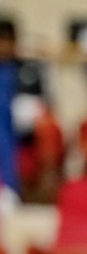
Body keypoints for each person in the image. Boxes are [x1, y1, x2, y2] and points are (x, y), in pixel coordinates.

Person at [0, 17, 60, 203]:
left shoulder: (28, 66)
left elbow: (46, 101)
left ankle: (11, 188)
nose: (4, 47)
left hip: (23, 121)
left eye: (7, 41)